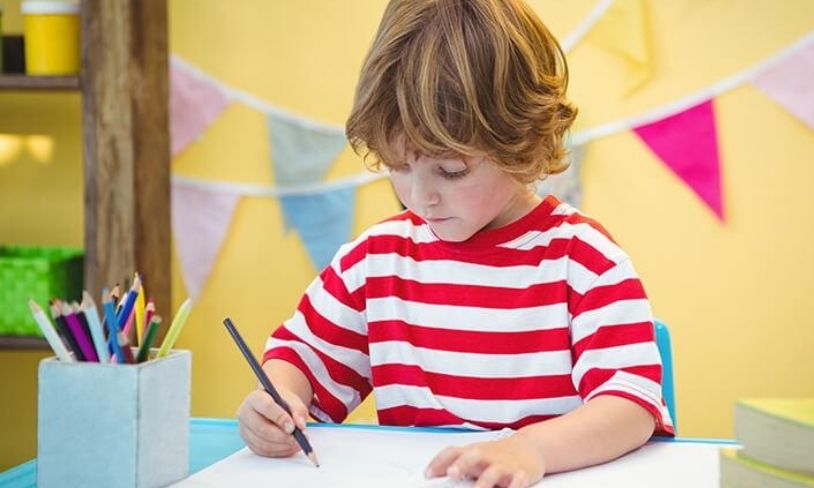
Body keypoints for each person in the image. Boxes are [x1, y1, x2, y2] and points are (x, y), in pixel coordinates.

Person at [237, 0, 674, 486]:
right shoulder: (375, 262)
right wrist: (275, 405)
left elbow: (630, 405)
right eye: (398, 166)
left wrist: (532, 450)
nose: (420, 197)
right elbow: (298, 360)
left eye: (450, 170)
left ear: (520, 143)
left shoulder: (584, 260)